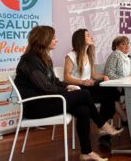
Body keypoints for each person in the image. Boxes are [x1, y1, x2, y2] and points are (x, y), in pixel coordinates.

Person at [14, 26, 114, 161]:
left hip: (46, 100)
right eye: (53, 38)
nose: (56, 40)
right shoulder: (29, 60)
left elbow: (54, 81)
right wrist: (69, 89)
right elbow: (46, 87)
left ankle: (86, 152)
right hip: (35, 106)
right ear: (43, 40)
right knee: (84, 94)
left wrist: (69, 86)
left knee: (83, 110)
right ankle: (101, 124)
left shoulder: (44, 58)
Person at [63, 29, 126, 131]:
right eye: (87, 35)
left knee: (109, 92)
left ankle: (104, 126)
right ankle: (105, 126)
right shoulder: (71, 56)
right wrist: (82, 81)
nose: (91, 37)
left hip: (89, 86)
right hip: (79, 89)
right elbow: (66, 77)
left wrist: (103, 76)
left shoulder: (88, 55)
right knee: (110, 94)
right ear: (80, 39)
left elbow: (93, 75)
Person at [104, 36, 131, 124]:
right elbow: (109, 74)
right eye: (123, 44)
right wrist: (124, 80)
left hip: (126, 85)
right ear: (117, 47)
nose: (127, 46)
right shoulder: (115, 55)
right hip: (116, 86)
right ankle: (128, 119)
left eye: (128, 44)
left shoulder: (127, 58)